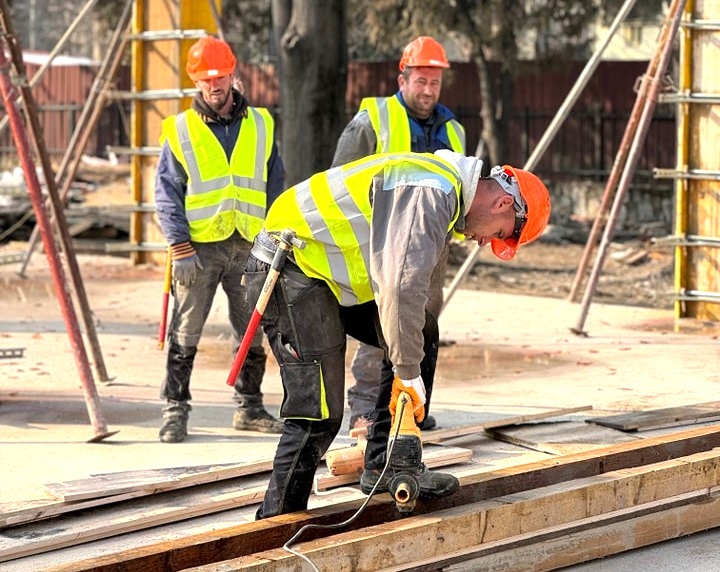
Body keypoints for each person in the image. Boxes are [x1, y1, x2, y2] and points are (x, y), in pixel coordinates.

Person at [244, 149, 551, 518]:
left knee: (420, 330)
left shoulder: (444, 193)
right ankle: (277, 525)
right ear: (503, 203)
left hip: (322, 275)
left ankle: (387, 466)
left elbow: (408, 294)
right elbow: (399, 288)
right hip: (290, 269)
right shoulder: (430, 192)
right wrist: (407, 372)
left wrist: (410, 365)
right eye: (498, 233)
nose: (485, 241)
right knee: (319, 412)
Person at [154, 36, 285, 442]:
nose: (215, 85)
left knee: (252, 328)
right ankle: (175, 409)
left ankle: (249, 408)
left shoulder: (261, 124)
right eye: (206, 78)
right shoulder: (181, 130)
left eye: (221, 76)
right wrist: (179, 247)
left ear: (233, 74)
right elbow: (166, 192)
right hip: (198, 248)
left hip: (250, 245)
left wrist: (275, 238)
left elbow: (274, 185)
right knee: (187, 328)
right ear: (195, 82)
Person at [332, 36, 466, 432]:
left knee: (420, 325)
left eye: (434, 83)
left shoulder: (453, 130)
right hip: (380, 244)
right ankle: (365, 409)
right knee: (381, 324)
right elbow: (341, 179)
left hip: (433, 248)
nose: (428, 90)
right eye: (420, 81)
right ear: (402, 79)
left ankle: (409, 409)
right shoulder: (373, 120)